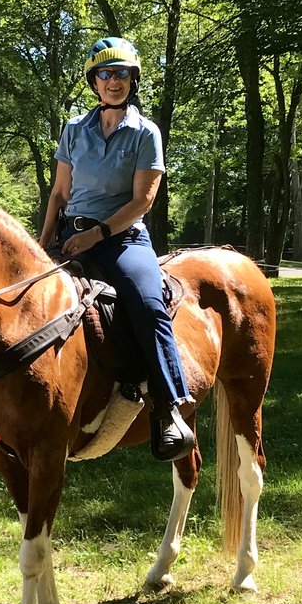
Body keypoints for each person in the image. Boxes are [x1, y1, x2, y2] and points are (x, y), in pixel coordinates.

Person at [39, 36, 195, 462]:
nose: (113, 81)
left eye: (122, 74)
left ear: (132, 80)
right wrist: (42, 242)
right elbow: (59, 193)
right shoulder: (74, 129)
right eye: (106, 74)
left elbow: (143, 200)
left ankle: (169, 410)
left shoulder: (146, 133)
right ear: (94, 81)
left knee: (148, 305)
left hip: (123, 239)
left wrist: (97, 235)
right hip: (70, 234)